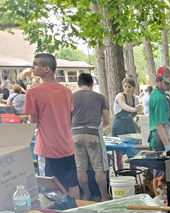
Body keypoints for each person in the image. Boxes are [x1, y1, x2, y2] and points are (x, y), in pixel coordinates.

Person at [24, 53, 79, 199]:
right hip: (66, 144)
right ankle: (75, 211)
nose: (32, 67)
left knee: (50, 185)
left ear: (47, 69)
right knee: (72, 182)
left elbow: (33, 122)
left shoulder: (33, 92)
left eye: (35, 64)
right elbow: (68, 118)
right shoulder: (67, 91)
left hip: (48, 147)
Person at [71, 73, 111, 201]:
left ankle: (86, 194)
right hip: (93, 133)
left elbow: (67, 119)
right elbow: (106, 120)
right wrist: (101, 128)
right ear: (92, 84)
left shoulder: (71, 97)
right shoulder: (99, 97)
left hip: (75, 134)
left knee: (81, 168)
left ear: (78, 84)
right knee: (99, 168)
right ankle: (104, 195)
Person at [148, 66, 170, 195]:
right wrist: (168, 146)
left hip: (158, 136)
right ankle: (163, 201)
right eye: (166, 82)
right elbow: (160, 125)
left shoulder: (160, 94)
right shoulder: (159, 98)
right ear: (158, 80)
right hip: (160, 137)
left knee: (157, 172)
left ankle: (159, 201)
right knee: (163, 174)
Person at [110, 77, 141, 170]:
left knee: (132, 151)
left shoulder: (135, 99)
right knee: (118, 153)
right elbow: (123, 106)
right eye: (125, 86)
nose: (127, 88)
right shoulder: (120, 96)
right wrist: (133, 109)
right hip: (118, 124)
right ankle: (121, 174)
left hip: (129, 124)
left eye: (129, 86)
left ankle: (133, 174)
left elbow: (135, 114)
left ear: (134, 87)